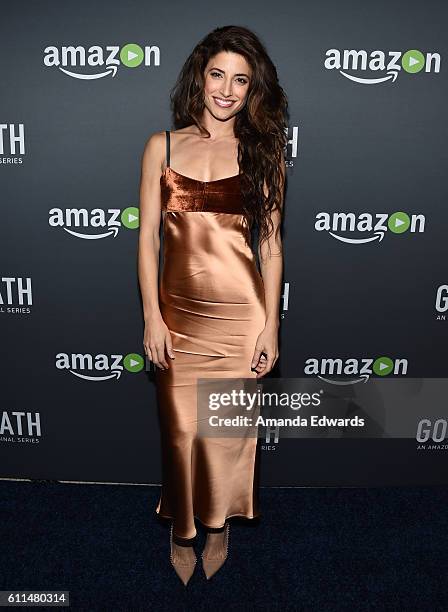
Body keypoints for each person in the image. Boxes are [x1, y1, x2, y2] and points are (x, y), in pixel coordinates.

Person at [137, 25, 287, 585]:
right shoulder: (162, 145)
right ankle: (183, 530)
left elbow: (270, 248)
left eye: (241, 81)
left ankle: (219, 528)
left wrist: (270, 325)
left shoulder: (263, 151)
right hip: (176, 315)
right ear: (200, 76)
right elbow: (147, 239)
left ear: (253, 92)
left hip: (239, 314)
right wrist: (151, 314)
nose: (227, 90)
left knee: (224, 433)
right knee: (179, 434)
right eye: (218, 74)